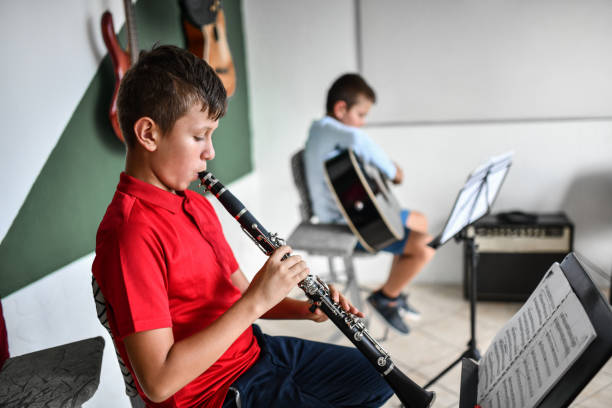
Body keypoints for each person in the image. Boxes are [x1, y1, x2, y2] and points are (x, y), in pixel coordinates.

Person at [91, 46, 393, 408]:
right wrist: (255, 301)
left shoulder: (196, 203)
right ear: (148, 134)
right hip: (215, 394)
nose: (210, 152)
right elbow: (157, 383)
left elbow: (236, 295)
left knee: (377, 379)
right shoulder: (130, 234)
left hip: (256, 353)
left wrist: (305, 308)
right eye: (199, 136)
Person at [304, 73, 435, 335]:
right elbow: (395, 174)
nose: (362, 123)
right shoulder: (351, 135)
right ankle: (385, 297)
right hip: (350, 223)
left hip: (345, 211)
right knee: (426, 247)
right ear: (341, 109)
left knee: (418, 219)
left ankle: (395, 292)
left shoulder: (317, 128)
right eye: (361, 115)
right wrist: (395, 170)